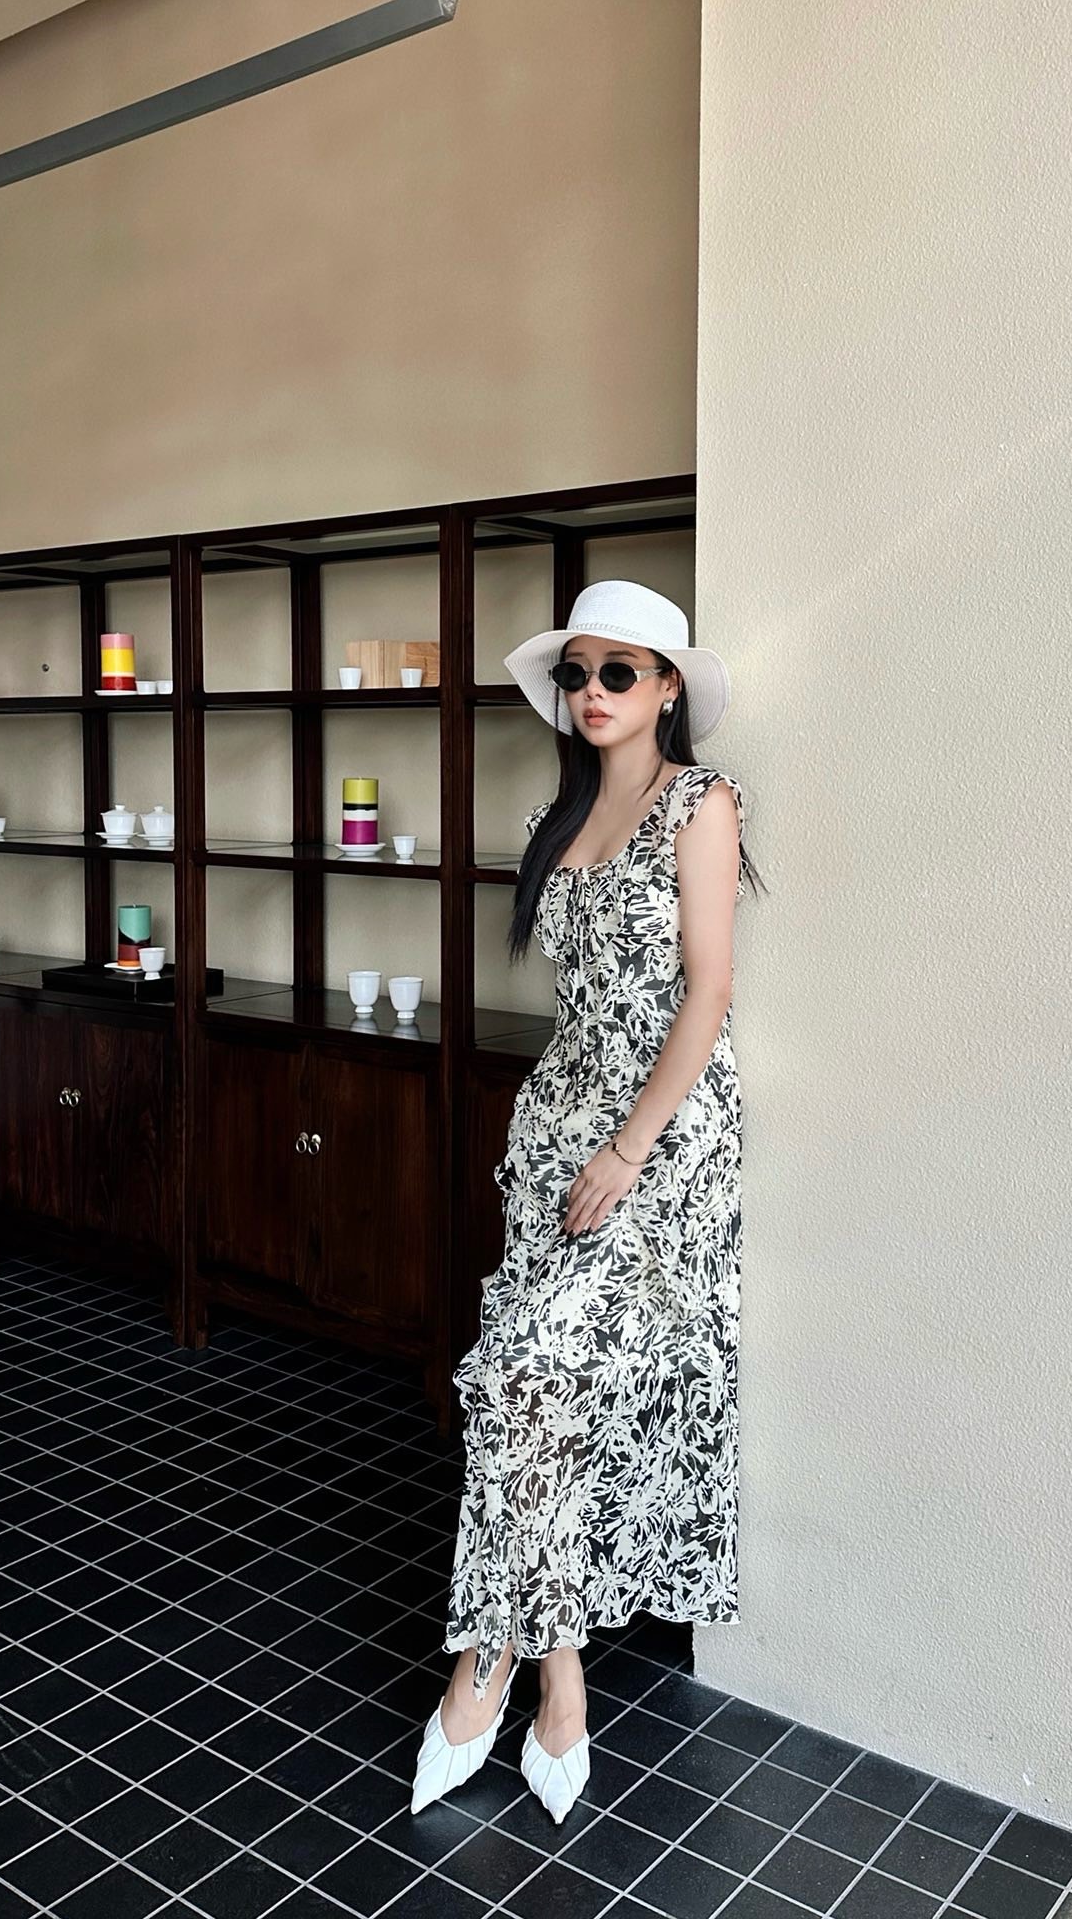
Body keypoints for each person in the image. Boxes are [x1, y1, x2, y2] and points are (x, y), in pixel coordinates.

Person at [410, 578, 762, 1824]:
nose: (594, 692)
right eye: (577, 672)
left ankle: (486, 1663)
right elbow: (575, 1003)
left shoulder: (701, 803)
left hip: (662, 1144)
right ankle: (552, 1669)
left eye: (620, 671)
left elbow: (707, 992)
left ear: (667, 689)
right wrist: (565, 1141)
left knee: (526, 1378)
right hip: (555, 1130)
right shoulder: (551, 817)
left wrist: (625, 1148)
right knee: (531, 1393)